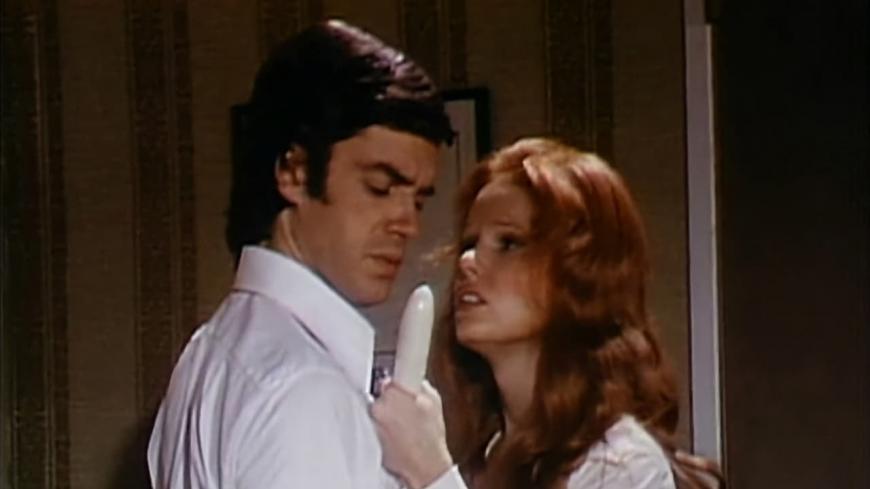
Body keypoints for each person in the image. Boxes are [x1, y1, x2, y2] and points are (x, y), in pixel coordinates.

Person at [147, 20, 457, 488]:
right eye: (379, 187)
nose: (407, 225)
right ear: (293, 172)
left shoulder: (208, 352)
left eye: (417, 200)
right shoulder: (305, 392)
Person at [372, 138, 724, 488]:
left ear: (579, 274)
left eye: (508, 243)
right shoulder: (485, 455)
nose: (467, 261)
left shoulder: (621, 465)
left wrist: (432, 473)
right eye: (469, 243)